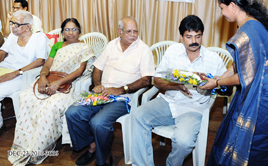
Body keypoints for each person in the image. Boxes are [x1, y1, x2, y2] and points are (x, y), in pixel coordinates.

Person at [202, 0, 268, 166]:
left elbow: (245, 77)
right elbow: (239, 65)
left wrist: (217, 84)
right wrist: (218, 77)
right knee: (254, 137)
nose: (222, 13)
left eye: (222, 8)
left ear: (233, 6)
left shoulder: (246, 32)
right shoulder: (250, 22)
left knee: (255, 143)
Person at [131, 15, 227, 166]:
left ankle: (171, 164)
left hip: (193, 108)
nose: (194, 41)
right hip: (169, 102)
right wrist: (176, 85)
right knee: (136, 115)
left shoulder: (213, 59)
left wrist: (215, 81)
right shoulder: (172, 51)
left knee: (184, 142)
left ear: (202, 35)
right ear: (181, 37)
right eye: (189, 36)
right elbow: (157, 80)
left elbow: (226, 86)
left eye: (198, 36)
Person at [65, 16, 155, 166]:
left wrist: (121, 89)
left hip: (123, 98)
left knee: (98, 123)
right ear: (120, 32)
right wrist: (98, 84)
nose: (133, 35)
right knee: (72, 113)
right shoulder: (112, 45)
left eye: (135, 31)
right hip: (102, 93)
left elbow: (147, 80)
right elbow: (97, 68)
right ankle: (93, 145)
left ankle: (103, 158)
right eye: (128, 31)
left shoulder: (143, 50)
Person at [8, 18, 96, 165]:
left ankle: (40, 147)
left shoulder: (84, 48)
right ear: (62, 32)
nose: (71, 33)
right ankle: (25, 144)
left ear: (79, 31)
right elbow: (48, 64)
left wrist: (57, 83)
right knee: (26, 97)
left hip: (67, 84)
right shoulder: (57, 46)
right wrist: (42, 77)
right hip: (49, 79)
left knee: (51, 106)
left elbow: (79, 72)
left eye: (74, 29)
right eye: (67, 29)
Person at [0, 10, 49, 134]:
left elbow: (40, 61)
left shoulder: (39, 38)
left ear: (28, 26)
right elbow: (3, 52)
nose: (13, 27)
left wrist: (15, 73)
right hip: (5, 70)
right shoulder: (12, 36)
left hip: (23, 75)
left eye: (16, 24)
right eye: (12, 23)